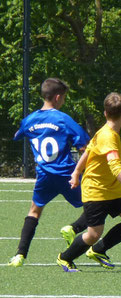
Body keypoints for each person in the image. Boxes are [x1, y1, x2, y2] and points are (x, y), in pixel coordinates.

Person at [56, 92, 121, 272]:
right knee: (93, 234)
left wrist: (76, 171)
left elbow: (88, 151)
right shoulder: (109, 136)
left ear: (105, 114)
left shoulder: (105, 131)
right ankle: (64, 258)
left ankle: (98, 251)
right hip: (96, 190)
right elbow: (115, 168)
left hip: (112, 190)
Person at [8, 78, 90, 268]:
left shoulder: (29, 120)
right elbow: (84, 146)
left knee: (34, 212)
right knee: (96, 208)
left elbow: (17, 135)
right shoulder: (63, 119)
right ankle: (73, 229)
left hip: (44, 176)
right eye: (64, 98)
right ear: (58, 97)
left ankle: (20, 255)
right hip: (68, 175)